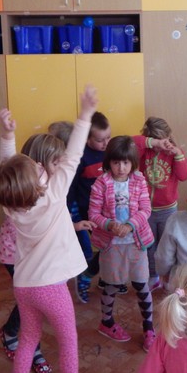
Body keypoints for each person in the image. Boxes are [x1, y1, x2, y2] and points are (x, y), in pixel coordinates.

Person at [0, 85, 98, 373]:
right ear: (34, 181)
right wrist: (85, 115)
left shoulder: (12, 204)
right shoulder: (54, 194)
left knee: (28, 338)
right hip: (51, 288)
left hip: (24, 286)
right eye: (34, 167)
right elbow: (73, 155)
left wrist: (8, 135)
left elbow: (9, 168)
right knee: (68, 342)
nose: (38, 165)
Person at [0, 116, 62, 373]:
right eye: (56, 162)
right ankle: (30, 347)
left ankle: (11, 331)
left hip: (39, 257)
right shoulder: (21, 185)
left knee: (30, 301)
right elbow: (7, 162)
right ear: (39, 164)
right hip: (16, 255)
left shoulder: (52, 184)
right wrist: (8, 135)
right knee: (33, 304)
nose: (61, 167)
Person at [88, 135, 156, 352]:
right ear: (109, 162)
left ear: (132, 162)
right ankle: (106, 322)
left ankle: (149, 328)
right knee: (111, 284)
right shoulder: (101, 183)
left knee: (142, 285)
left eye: (125, 162)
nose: (121, 168)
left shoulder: (139, 180)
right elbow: (93, 213)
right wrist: (109, 225)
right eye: (116, 162)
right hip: (112, 245)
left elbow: (145, 209)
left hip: (136, 243)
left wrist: (130, 225)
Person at [133, 117, 187, 292]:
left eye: (161, 140)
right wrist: (152, 143)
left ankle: (169, 277)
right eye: (154, 141)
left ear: (168, 136)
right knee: (149, 246)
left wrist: (178, 153)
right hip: (146, 211)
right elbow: (131, 143)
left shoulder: (174, 153)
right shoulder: (143, 151)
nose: (159, 146)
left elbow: (184, 176)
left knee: (168, 247)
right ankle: (153, 276)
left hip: (168, 210)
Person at [67, 111, 112, 303]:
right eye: (101, 140)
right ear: (87, 139)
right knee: (107, 246)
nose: (106, 143)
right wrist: (70, 212)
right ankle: (86, 276)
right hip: (88, 212)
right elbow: (70, 187)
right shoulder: (81, 157)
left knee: (110, 246)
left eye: (108, 137)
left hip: (109, 210)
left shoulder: (111, 151)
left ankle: (103, 277)